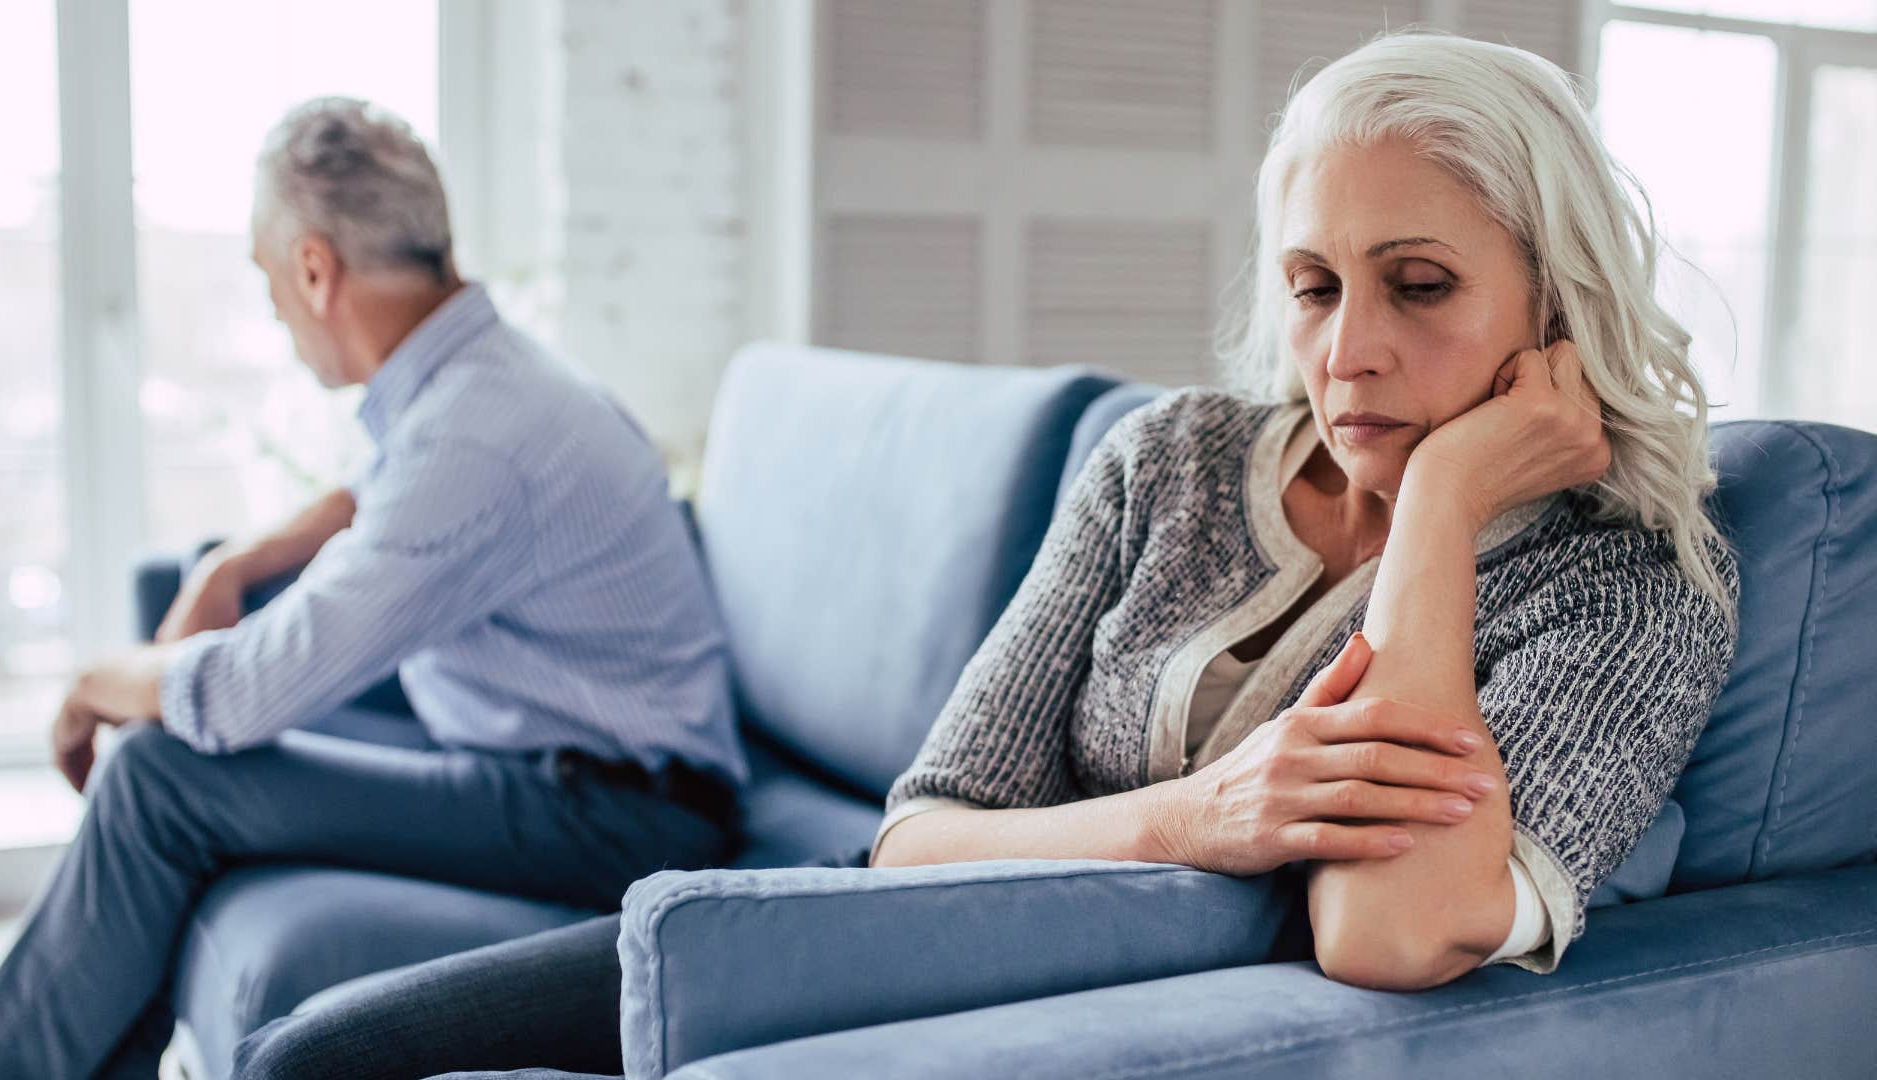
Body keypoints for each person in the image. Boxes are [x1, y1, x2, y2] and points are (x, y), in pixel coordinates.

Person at [235, 30, 1740, 1079]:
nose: (1349, 352)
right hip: (866, 944)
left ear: (1560, 305)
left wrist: (1445, 512)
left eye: (1419, 287)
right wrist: (1196, 816)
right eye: (1313, 286)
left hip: (1046, 1028)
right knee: (318, 1056)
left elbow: (1392, 927)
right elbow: (916, 833)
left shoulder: (1628, 591)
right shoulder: (1173, 459)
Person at [0, 98, 745, 1080]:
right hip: (553, 763)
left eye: (266, 280)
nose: (275, 312)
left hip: (616, 817)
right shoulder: (482, 383)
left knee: (163, 778)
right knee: (167, 763)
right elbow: (377, 491)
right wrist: (231, 564)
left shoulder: (476, 434)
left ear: (316, 270)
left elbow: (243, 693)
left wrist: (91, 682)